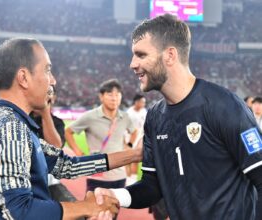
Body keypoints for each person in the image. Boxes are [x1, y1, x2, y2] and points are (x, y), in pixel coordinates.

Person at [94, 14, 262, 220]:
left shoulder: (224, 106)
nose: (132, 64)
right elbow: (152, 186)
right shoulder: (155, 118)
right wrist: (116, 195)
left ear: (170, 55)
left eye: (141, 55)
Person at [0, 38, 142, 220]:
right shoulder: (10, 127)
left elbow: (66, 165)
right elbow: (18, 212)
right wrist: (86, 207)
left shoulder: (12, 121)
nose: (53, 80)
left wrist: (136, 155)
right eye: (47, 70)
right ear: (23, 78)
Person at [65, 79, 138, 193]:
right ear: (101, 97)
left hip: (119, 176)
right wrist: (79, 153)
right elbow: (68, 132)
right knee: (94, 209)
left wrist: (129, 145)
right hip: (97, 175)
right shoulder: (90, 116)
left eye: (117, 94)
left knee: (115, 209)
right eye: (110, 94)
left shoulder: (125, 117)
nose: (114, 98)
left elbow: (134, 131)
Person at [31, 85, 76, 202]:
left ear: (54, 98)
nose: (44, 96)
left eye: (48, 93)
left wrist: (45, 113)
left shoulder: (58, 123)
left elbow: (55, 147)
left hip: (50, 181)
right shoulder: (22, 118)